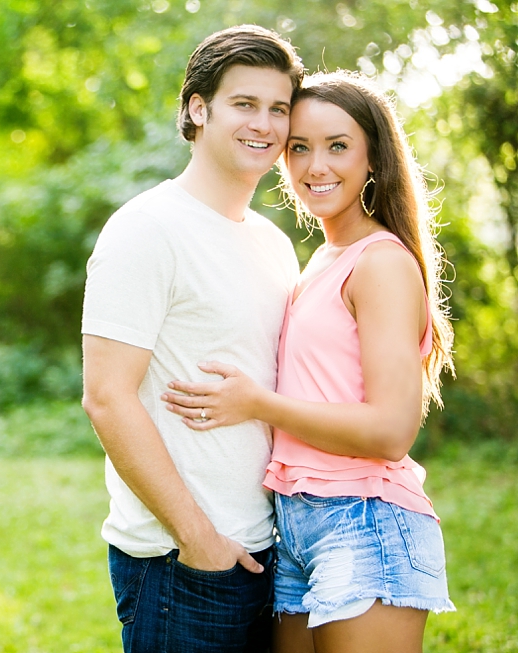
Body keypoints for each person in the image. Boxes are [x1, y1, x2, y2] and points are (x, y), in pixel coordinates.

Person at [160, 70, 456, 653]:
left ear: (374, 158)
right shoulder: (323, 258)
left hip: (364, 519)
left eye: (338, 146)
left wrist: (255, 403)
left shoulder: (381, 264)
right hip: (296, 524)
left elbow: (392, 431)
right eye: (300, 148)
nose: (315, 165)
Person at [81, 25, 304, 652]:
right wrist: (198, 539)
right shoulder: (147, 229)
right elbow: (106, 397)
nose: (264, 124)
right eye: (244, 104)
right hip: (181, 562)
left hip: (268, 550)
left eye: (278, 108)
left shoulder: (273, 244)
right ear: (198, 109)